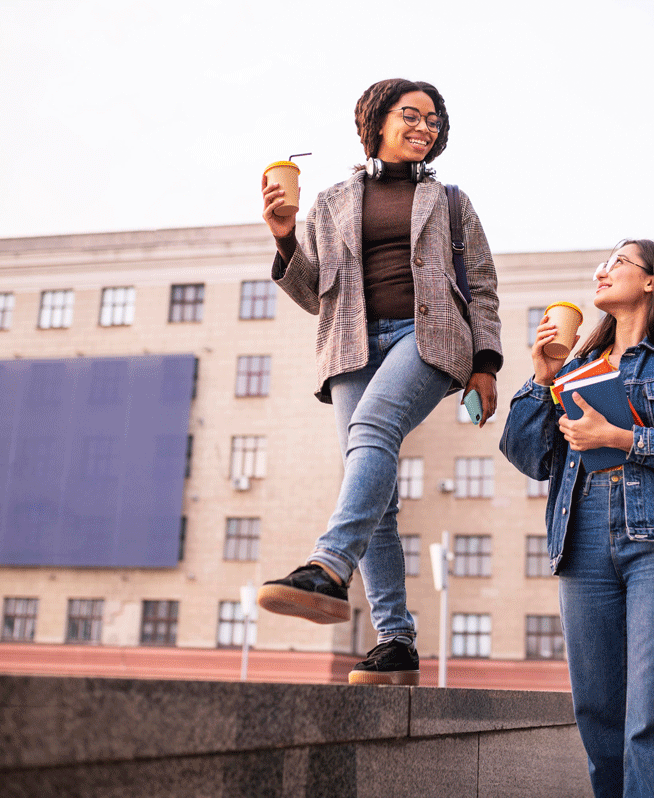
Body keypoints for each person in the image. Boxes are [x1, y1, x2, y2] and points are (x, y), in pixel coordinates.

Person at [256, 78, 502, 686]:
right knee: (378, 495)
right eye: (412, 115)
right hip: (349, 346)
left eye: (435, 120)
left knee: (372, 428)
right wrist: (284, 235)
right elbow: (314, 293)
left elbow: (484, 283)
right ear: (377, 120)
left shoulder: (451, 202)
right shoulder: (334, 199)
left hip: (427, 338)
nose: (426, 127)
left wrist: (486, 363)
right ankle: (395, 642)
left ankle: (327, 565)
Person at [500, 240, 654, 797]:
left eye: (619, 262)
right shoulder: (577, 367)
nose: (602, 271)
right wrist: (542, 379)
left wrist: (621, 439)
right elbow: (527, 455)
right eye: (603, 263)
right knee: (598, 710)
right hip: (580, 538)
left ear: (653, 281)